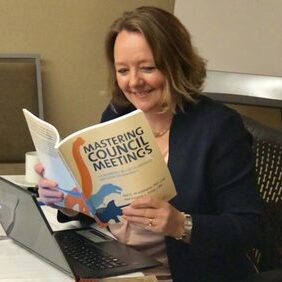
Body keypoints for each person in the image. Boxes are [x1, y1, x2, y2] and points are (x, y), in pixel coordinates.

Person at [36, 6, 263, 282]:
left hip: (175, 273)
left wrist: (182, 224)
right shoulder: (118, 113)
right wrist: (68, 200)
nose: (133, 82)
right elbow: (104, 204)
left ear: (175, 64)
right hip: (115, 260)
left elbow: (250, 226)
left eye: (147, 68)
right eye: (123, 70)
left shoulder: (218, 128)